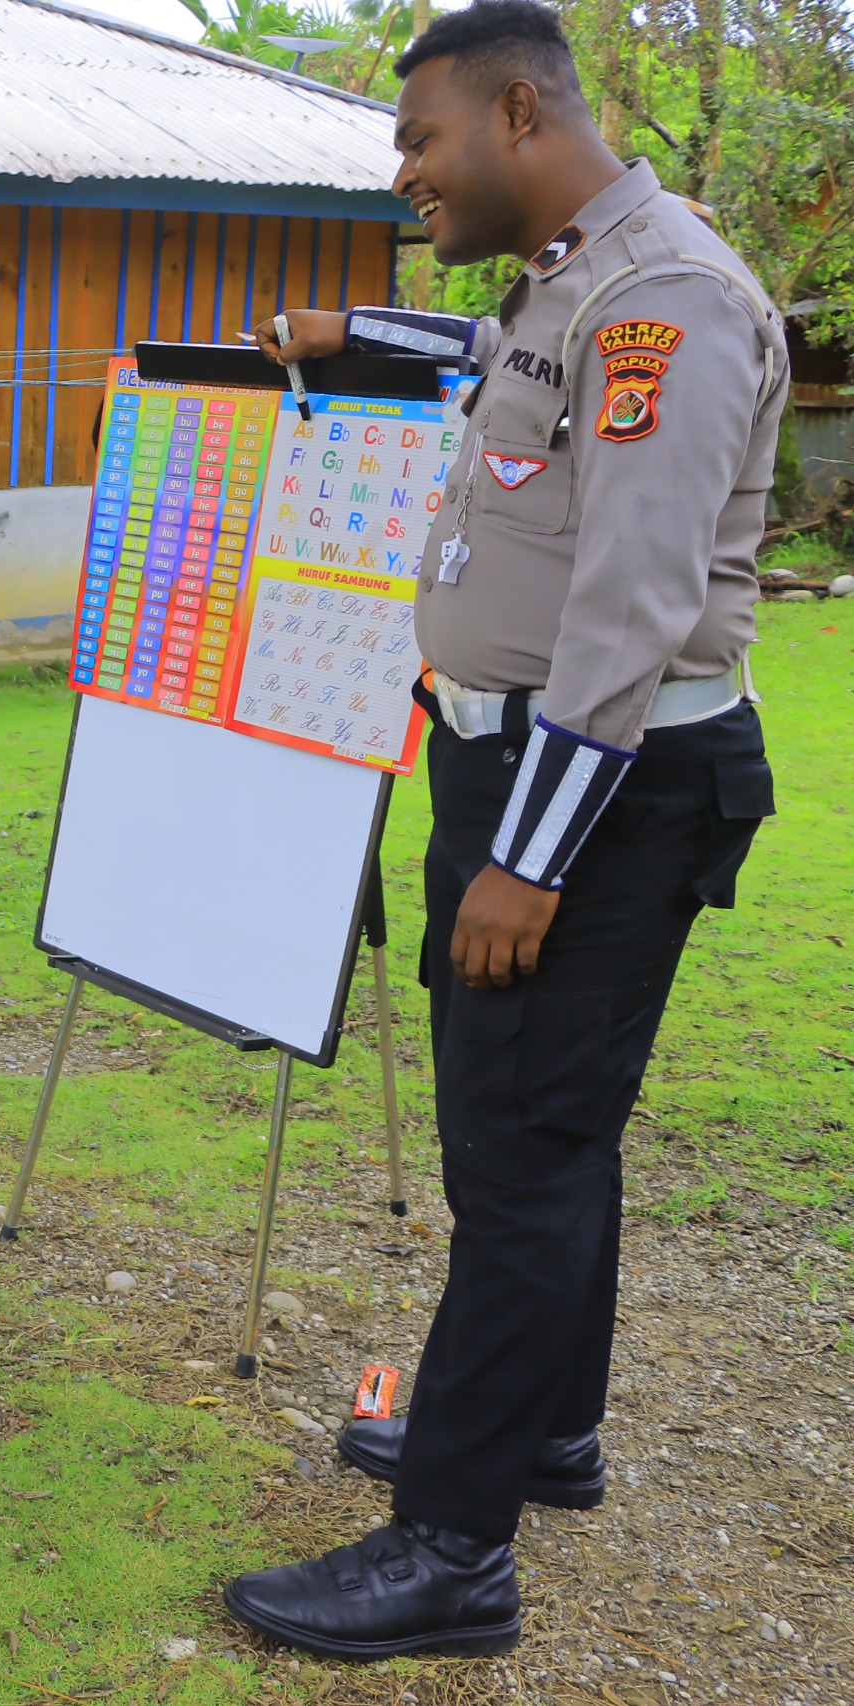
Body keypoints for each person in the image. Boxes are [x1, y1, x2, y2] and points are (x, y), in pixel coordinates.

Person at [233, 0, 781, 1659]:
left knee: (521, 1160)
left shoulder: (664, 298)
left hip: (591, 799)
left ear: (520, 113)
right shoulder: (572, 284)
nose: (408, 173)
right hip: (527, 767)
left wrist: (524, 859)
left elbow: (627, 612)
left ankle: (453, 1549)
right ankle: (543, 1429)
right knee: (555, 1137)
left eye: (421, 140)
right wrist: (359, 337)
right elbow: (496, 370)